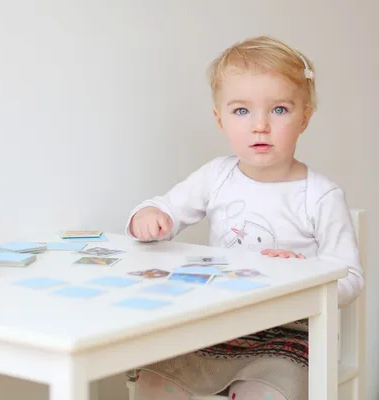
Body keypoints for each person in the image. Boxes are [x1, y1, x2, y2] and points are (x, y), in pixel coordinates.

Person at [125, 36, 364, 400]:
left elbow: (351, 277)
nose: (260, 125)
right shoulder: (216, 176)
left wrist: (307, 273)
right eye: (242, 111)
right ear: (220, 120)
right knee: (153, 378)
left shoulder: (320, 195)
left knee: (263, 393)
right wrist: (149, 215)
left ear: (305, 117)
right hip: (220, 326)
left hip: (291, 337)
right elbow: (168, 209)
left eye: (279, 110)